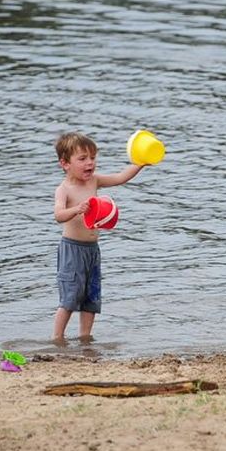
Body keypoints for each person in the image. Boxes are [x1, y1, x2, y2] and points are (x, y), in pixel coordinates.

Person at [52, 131, 148, 342]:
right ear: (65, 163)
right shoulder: (64, 190)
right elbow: (58, 215)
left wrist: (141, 163)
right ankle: (57, 339)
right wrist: (77, 209)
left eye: (93, 158)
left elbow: (120, 178)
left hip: (92, 250)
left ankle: (85, 337)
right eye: (82, 159)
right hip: (72, 249)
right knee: (70, 297)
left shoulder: (93, 181)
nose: (90, 163)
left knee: (91, 297)